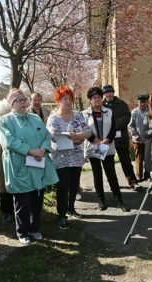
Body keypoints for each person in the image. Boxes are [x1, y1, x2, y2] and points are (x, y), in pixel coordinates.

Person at [0, 89, 58, 244]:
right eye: (19, 100)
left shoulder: (35, 118)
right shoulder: (4, 121)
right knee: (22, 202)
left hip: (38, 164)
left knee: (37, 199)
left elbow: (46, 136)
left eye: (24, 99)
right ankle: (22, 232)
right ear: (11, 103)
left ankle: (35, 228)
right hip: (20, 167)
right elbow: (9, 142)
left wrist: (43, 150)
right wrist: (31, 151)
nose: (23, 103)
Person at [46, 85, 92, 229]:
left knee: (74, 185)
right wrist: (65, 137)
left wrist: (77, 136)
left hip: (76, 157)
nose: (68, 101)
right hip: (61, 158)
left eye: (69, 99)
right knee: (62, 187)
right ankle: (61, 215)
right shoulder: (53, 118)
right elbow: (50, 137)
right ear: (58, 100)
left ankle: (71, 208)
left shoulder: (78, 115)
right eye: (64, 98)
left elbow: (88, 132)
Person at [82, 87, 130, 212]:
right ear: (90, 100)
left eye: (99, 97)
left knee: (111, 174)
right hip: (93, 147)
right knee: (97, 175)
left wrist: (107, 140)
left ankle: (119, 200)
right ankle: (101, 200)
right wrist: (96, 141)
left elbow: (114, 128)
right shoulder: (84, 114)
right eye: (94, 98)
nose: (97, 100)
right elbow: (85, 130)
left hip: (107, 147)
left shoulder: (108, 111)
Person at [102, 85, 140, 191]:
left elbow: (127, 116)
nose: (109, 94)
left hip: (120, 137)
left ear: (113, 93)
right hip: (107, 138)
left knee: (126, 162)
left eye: (110, 92)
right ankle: (112, 184)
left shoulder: (121, 104)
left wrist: (116, 126)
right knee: (108, 163)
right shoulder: (102, 106)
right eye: (106, 92)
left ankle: (133, 183)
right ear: (104, 94)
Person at [128, 94, 149, 181]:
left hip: (149, 139)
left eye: (144, 102)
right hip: (138, 139)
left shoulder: (150, 111)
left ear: (147, 102)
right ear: (138, 102)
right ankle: (139, 175)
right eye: (141, 102)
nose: (142, 104)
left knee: (149, 158)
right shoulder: (134, 112)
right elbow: (130, 125)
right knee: (139, 158)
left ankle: (148, 174)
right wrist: (135, 135)